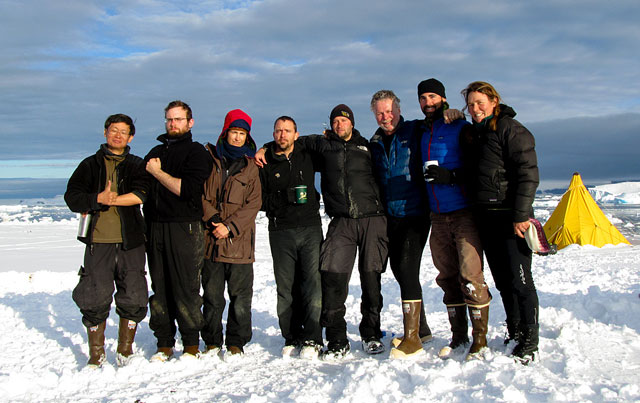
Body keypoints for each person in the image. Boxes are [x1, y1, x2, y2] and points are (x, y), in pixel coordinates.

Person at [255, 104, 388, 360]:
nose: (340, 125)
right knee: (332, 278)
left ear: (352, 122)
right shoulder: (322, 146)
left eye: (344, 120)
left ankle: (371, 333)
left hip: (372, 218)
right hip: (341, 220)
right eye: (335, 121)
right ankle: (337, 337)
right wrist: (264, 148)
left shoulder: (368, 147)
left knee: (371, 280)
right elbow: (287, 141)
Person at [460, 81, 540, 364]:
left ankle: (530, 338)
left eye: (480, 102)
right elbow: (474, 175)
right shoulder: (475, 134)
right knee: (504, 281)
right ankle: (515, 328)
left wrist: (521, 215)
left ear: (494, 101)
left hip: (510, 217)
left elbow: (528, 174)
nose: (475, 108)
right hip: (486, 217)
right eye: (470, 104)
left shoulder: (510, 129)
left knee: (520, 280)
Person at [64, 113, 149, 367]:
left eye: (123, 131)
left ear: (131, 136)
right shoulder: (89, 165)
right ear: (105, 132)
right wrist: (97, 199)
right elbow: (72, 197)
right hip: (97, 241)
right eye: (114, 130)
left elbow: (143, 193)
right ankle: (96, 353)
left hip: (131, 241)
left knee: (134, 294)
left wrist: (114, 199)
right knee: (94, 295)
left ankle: (125, 349)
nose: (118, 135)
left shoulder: (136, 164)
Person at [417, 78, 492, 360]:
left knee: (470, 276)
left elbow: (478, 167)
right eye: (423, 98)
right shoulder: (422, 130)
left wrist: (452, 177)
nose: (428, 102)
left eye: (433, 96)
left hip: (463, 213)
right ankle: (459, 336)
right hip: (437, 216)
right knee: (447, 277)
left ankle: (480, 340)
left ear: (443, 98)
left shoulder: (461, 127)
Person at [144, 100, 213, 361]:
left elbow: (187, 190)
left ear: (190, 122)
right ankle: (164, 342)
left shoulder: (197, 153)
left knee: (186, 286)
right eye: (169, 120)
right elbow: (142, 189)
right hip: (156, 228)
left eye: (178, 119)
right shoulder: (155, 152)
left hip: (185, 228)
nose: (173, 124)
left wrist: (158, 173)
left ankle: (191, 343)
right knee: (160, 288)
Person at [368, 90, 433, 359]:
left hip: (415, 212)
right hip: (390, 216)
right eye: (380, 113)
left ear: (398, 108)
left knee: (406, 267)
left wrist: (450, 112)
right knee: (399, 269)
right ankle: (423, 328)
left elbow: (439, 122)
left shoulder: (415, 130)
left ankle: (413, 338)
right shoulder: (374, 142)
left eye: (390, 110)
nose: (386, 117)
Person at [258, 116, 323, 359]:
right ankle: (291, 336)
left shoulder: (307, 154)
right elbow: (260, 199)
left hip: (310, 228)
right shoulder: (265, 162)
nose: (282, 135)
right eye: (278, 131)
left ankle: (313, 338)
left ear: (297, 134)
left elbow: (323, 146)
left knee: (312, 284)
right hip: (280, 231)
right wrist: (285, 197)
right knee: (286, 287)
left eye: (287, 131)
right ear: (273, 134)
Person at [201, 109, 261, 361]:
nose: (237, 138)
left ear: (247, 137)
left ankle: (236, 342)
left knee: (240, 298)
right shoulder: (209, 160)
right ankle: (212, 341)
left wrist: (230, 227)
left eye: (242, 134)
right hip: (211, 242)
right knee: (213, 298)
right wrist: (213, 219)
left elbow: (253, 203)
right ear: (225, 133)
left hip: (239, 244)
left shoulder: (251, 167)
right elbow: (200, 194)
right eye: (234, 132)